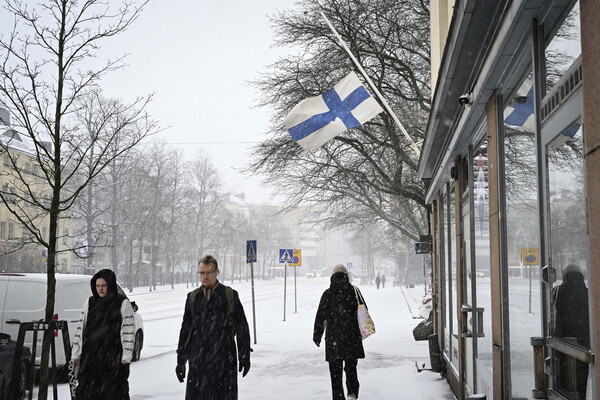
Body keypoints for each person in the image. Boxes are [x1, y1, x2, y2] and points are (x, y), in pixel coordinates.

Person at [176, 255, 252, 400]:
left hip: (224, 359)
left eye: (208, 272)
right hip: (198, 360)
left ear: (217, 272)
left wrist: (244, 354)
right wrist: (181, 360)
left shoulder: (229, 295)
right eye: (201, 273)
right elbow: (185, 330)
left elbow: (242, 326)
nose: (205, 276)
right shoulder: (193, 298)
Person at [70, 269, 135, 400]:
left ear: (110, 285)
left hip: (113, 357)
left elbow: (128, 330)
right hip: (91, 357)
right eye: (97, 285)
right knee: (89, 391)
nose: (100, 289)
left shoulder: (122, 303)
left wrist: (126, 356)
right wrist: (75, 354)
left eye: (104, 285)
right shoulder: (90, 303)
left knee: (112, 392)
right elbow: (80, 328)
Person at [313, 264, 366, 400]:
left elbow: (320, 316)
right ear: (346, 276)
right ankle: (352, 393)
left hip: (334, 339)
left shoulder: (328, 294)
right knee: (351, 369)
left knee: (335, 374)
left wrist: (317, 335)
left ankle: (338, 396)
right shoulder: (354, 291)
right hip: (352, 338)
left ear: (332, 277)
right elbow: (364, 311)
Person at [552, 263, 590, 399]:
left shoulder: (558, 291)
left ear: (564, 276)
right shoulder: (588, 293)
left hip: (563, 342)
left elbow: (555, 316)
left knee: (563, 380)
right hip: (584, 344)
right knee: (580, 380)